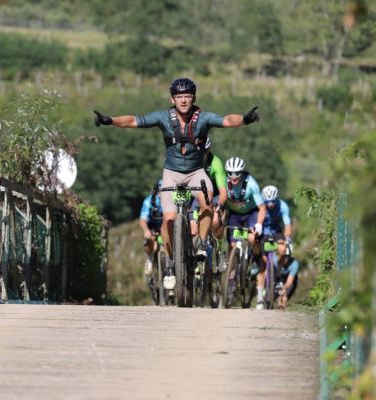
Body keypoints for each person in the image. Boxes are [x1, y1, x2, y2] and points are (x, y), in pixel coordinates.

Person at [94, 78, 259, 290]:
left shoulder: (203, 118)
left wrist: (245, 119)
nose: (183, 100)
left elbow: (226, 120)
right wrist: (109, 120)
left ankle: (201, 243)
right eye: (179, 97)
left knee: (207, 199)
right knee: (168, 220)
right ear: (172, 99)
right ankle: (171, 264)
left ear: (194, 98)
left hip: (196, 172)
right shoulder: (163, 117)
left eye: (187, 96)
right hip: (171, 173)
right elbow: (135, 121)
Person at [223, 157, 266, 307]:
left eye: (237, 173)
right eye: (230, 173)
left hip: (251, 214)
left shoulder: (251, 184)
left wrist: (259, 224)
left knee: (253, 238)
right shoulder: (224, 183)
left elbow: (262, 208)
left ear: (241, 172)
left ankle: (256, 259)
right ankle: (231, 279)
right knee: (232, 246)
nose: (233, 176)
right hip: (234, 215)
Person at [256, 185, 293, 309]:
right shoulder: (260, 205)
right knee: (262, 264)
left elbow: (287, 226)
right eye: (267, 202)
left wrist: (287, 239)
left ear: (276, 198)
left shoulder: (283, 206)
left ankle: (278, 272)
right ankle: (260, 298)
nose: (270, 204)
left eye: (273, 201)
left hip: (276, 232)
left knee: (283, 249)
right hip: (263, 233)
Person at [189, 136, 228, 240]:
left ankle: (218, 240)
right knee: (193, 230)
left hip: (214, 195)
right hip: (196, 195)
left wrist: (220, 204)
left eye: (204, 151)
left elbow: (223, 191)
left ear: (208, 150)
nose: (201, 154)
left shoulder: (216, 162)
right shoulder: (189, 161)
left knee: (215, 221)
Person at [139, 180, 163, 277]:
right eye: (160, 191)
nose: (162, 194)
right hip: (152, 226)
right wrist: (146, 231)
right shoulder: (148, 201)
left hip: (165, 226)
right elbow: (142, 219)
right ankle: (149, 259)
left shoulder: (171, 200)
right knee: (150, 238)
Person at [272, 232, 299, 310]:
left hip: (289, 282)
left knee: (284, 296)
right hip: (277, 279)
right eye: (283, 256)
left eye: (287, 256)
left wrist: (283, 288)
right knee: (274, 296)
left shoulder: (294, 264)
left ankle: (282, 308)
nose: (285, 259)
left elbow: (289, 282)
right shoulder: (274, 260)